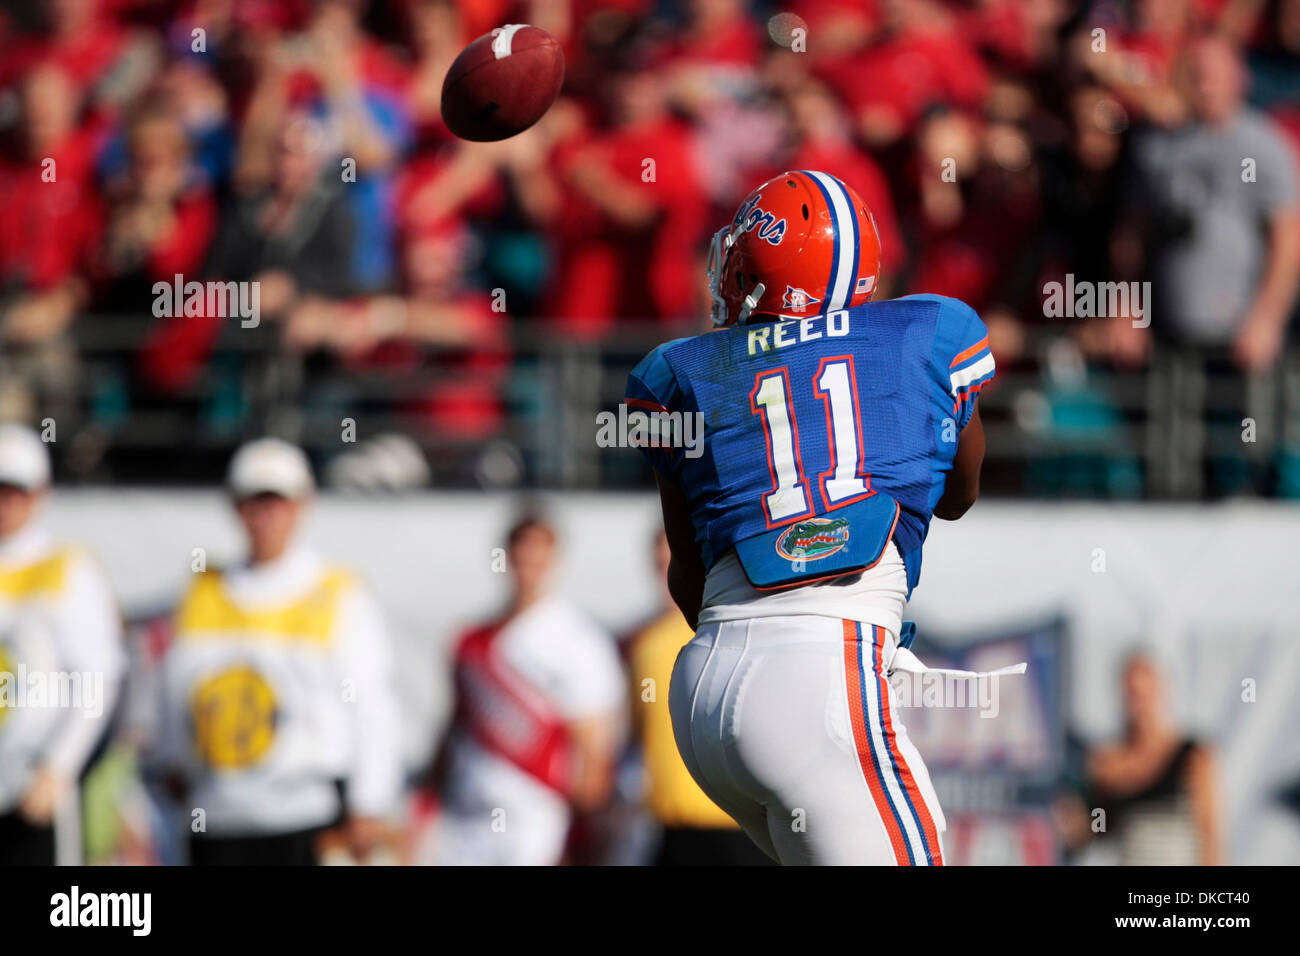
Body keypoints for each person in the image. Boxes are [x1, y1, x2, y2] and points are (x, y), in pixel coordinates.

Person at [626, 170, 994, 865]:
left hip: (703, 692)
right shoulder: (932, 331)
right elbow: (960, 494)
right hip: (822, 670)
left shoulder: (678, 371)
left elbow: (690, 577)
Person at [156, 438, 402, 865]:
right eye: (254, 502)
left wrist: (369, 803)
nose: (266, 516)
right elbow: (174, 696)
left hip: (305, 816)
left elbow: (372, 706)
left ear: (302, 506)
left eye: (278, 502)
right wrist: (173, 762)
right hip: (218, 817)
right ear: (235, 507)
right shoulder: (202, 591)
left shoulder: (338, 594)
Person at [430, 514, 626, 865]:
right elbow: (455, 726)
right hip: (466, 817)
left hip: (536, 822)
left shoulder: (577, 640)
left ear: (554, 561)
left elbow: (593, 751)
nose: (527, 567)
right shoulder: (472, 639)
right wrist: (427, 801)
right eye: (520, 556)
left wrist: (582, 835)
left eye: (538, 557)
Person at [0, 424, 124, 865]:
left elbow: (98, 679)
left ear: (40, 494)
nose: (6, 503)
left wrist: (59, 767)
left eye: (16, 490)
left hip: (32, 790)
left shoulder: (66, 567)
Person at [625, 530, 773, 865]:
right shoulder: (646, 645)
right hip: (672, 827)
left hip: (736, 827)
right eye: (661, 561)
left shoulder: (736, 630)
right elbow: (636, 736)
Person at [1086, 654, 1220, 865]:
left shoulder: (1192, 757)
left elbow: (1210, 833)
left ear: (1162, 692)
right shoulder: (1108, 762)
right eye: (1132, 694)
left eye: (1145, 693)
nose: (1139, 703)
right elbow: (1099, 828)